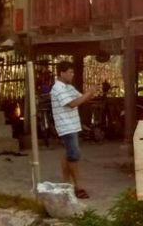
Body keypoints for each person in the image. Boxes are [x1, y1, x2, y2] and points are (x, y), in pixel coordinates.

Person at [51, 61, 94, 199]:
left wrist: (91, 93)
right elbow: (73, 103)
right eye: (70, 72)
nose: (72, 75)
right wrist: (88, 94)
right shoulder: (58, 88)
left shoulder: (68, 87)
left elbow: (81, 98)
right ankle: (77, 186)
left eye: (73, 72)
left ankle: (66, 184)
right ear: (62, 73)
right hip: (66, 126)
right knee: (73, 155)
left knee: (68, 154)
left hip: (72, 125)